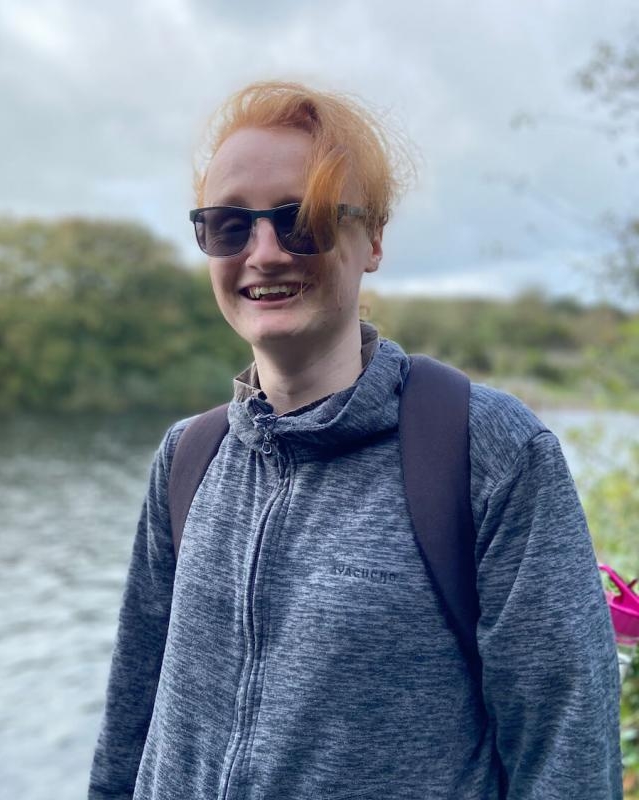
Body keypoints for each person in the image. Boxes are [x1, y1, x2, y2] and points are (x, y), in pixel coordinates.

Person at [88, 81, 623, 799]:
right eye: (229, 225)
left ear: (371, 238)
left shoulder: (490, 453)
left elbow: (568, 755)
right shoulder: (187, 458)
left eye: (301, 218)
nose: (265, 251)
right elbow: (130, 723)